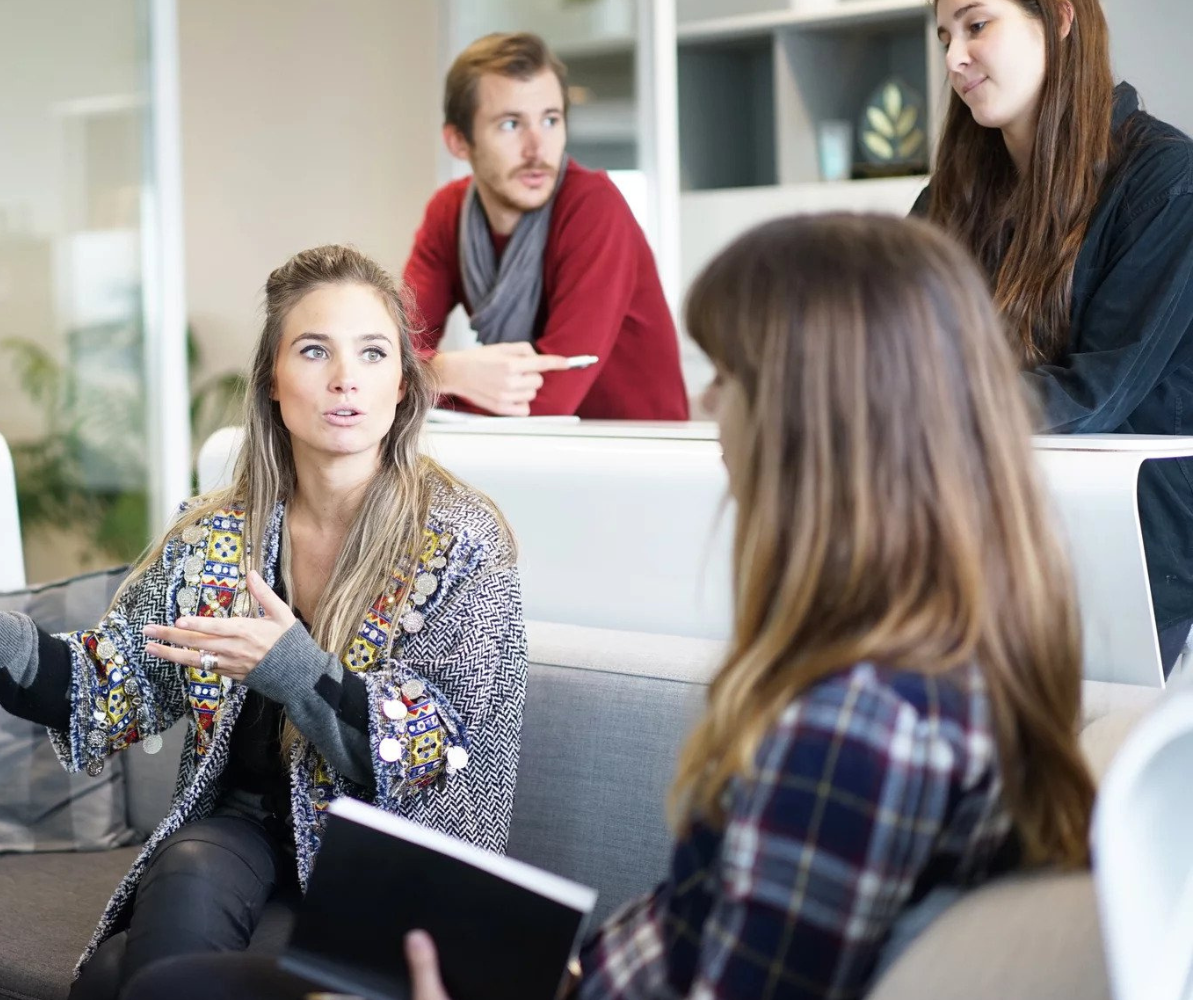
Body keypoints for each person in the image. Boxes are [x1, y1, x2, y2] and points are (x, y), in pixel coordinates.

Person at [123, 215, 1099, 1000]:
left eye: (730, 378)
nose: (709, 408)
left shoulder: (854, 730)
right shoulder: (936, 669)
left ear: (819, 423)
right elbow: (703, 936)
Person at [0, 245, 527, 999]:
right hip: (242, 828)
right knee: (183, 874)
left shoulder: (462, 540)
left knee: (115, 977)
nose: (346, 377)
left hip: (388, 852)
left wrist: (293, 669)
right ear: (272, 379)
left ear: (402, 383)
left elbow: (439, 750)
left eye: (373, 353)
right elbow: (110, 684)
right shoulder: (216, 533)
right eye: (315, 350)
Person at [916, 0, 1193, 673]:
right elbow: (890, 351)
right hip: (984, 547)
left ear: (1061, 18)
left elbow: (1094, 394)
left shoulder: (1166, 180)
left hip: (1132, 561)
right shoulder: (950, 198)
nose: (954, 57)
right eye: (945, 36)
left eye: (977, 25)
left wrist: (913, 409)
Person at [403, 32, 686, 420]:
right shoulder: (448, 213)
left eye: (551, 120)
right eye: (510, 124)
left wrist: (422, 379)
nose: (537, 149)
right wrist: (447, 372)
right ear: (458, 142)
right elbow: (387, 354)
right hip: (530, 445)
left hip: (636, 447)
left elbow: (549, 399)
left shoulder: (593, 206)